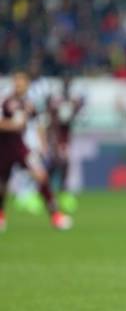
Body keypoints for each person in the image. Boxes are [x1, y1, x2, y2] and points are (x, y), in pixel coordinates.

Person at [0, 71, 72, 232]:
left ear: (27, 84)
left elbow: (38, 123)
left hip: (20, 147)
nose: (19, 85)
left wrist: (43, 144)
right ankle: (1, 216)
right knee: (2, 184)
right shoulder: (4, 100)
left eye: (22, 82)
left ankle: (56, 216)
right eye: (16, 82)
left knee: (41, 175)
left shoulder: (29, 103)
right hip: (3, 147)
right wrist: (12, 124)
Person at [45, 75, 84, 210]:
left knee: (62, 163)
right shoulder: (57, 100)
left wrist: (76, 106)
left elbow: (72, 116)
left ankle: (60, 191)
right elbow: (53, 116)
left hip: (64, 137)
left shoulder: (71, 100)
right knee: (58, 162)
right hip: (55, 136)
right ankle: (52, 190)